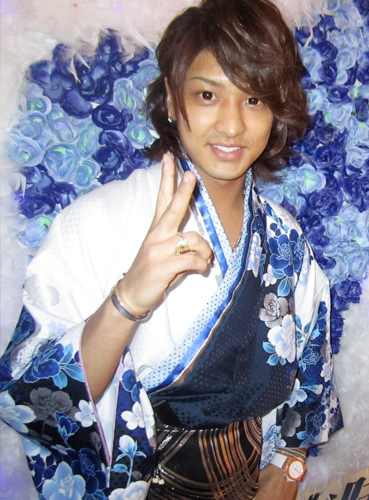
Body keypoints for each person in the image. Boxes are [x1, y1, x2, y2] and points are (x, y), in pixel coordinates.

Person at [0, 0, 342, 498]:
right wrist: (128, 300)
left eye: (254, 99)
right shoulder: (97, 222)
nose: (232, 125)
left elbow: (312, 370)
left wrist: (289, 465)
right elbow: (31, 396)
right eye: (208, 94)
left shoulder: (285, 237)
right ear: (171, 100)